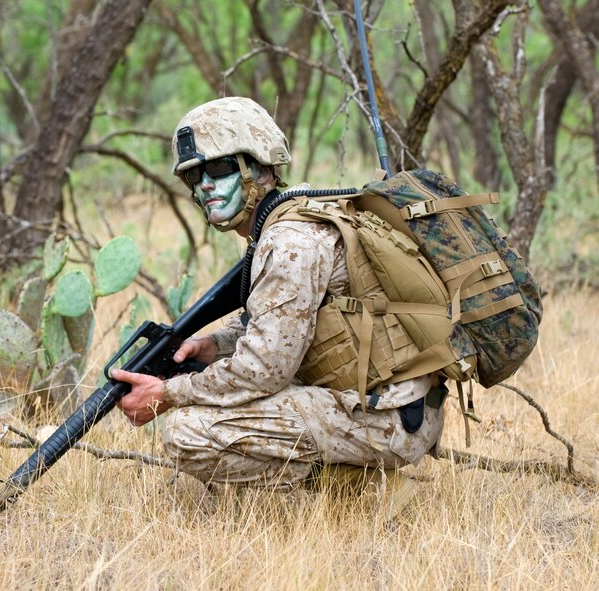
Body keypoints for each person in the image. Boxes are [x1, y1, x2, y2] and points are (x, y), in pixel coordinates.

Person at [110, 96, 445, 493]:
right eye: (193, 176)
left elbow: (264, 370)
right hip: (385, 406)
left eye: (218, 168)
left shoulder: (290, 241)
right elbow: (281, 323)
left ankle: (363, 493)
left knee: (187, 432)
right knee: (208, 403)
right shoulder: (288, 221)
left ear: (259, 166)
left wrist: (167, 393)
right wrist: (211, 346)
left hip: (388, 418)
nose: (205, 185)